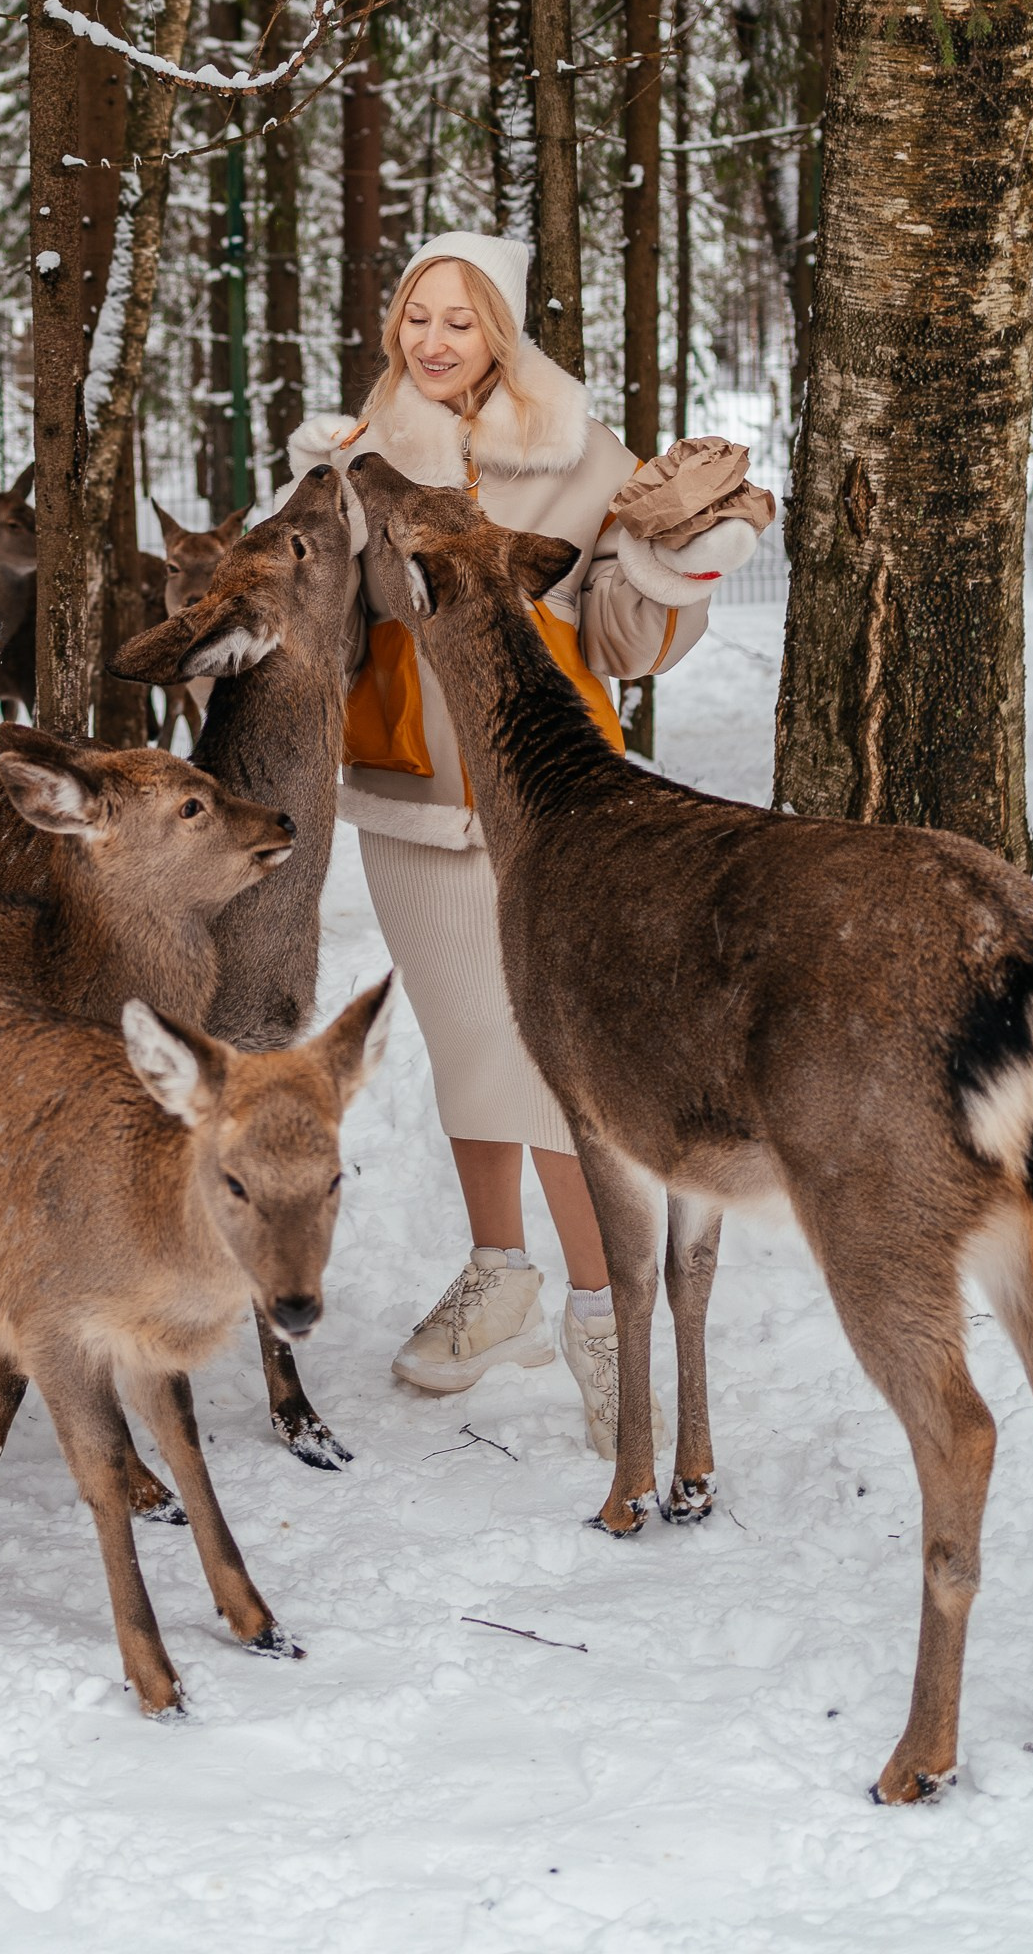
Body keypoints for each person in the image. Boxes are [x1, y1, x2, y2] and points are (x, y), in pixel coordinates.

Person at [289, 229, 772, 1456]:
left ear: (498, 333)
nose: (431, 342)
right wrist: (306, 516)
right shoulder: (360, 458)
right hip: (403, 792)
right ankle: (498, 1277)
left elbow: (616, 635)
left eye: (458, 321)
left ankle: (601, 1311)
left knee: (557, 1071)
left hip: (550, 805)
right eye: (415, 318)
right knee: (465, 1052)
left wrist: (675, 566)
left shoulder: (580, 456)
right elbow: (317, 631)